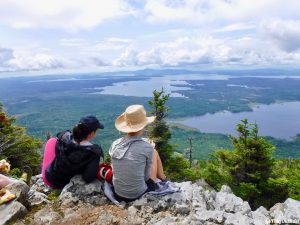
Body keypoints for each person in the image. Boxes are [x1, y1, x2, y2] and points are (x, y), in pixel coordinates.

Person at [109, 105, 166, 202]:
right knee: (154, 152)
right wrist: (151, 150)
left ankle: (163, 177)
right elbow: (146, 177)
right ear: (143, 125)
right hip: (138, 195)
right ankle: (163, 178)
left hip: (117, 193)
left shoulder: (115, 144)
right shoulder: (147, 147)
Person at [42, 115, 104, 189]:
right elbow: (88, 178)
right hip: (61, 184)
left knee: (52, 141)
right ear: (92, 133)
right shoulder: (93, 153)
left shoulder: (64, 136)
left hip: (50, 175)